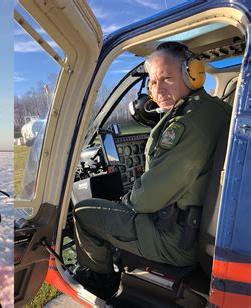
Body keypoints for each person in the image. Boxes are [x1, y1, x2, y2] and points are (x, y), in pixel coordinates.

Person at [73, 42, 231, 300]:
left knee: (84, 213)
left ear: (192, 74)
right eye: (153, 82)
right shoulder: (216, 109)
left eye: (167, 78)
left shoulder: (189, 121)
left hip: (176, 240)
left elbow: (148, 198)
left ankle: (101, 283)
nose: (158, 90)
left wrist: (127, 201)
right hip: (200, 228)